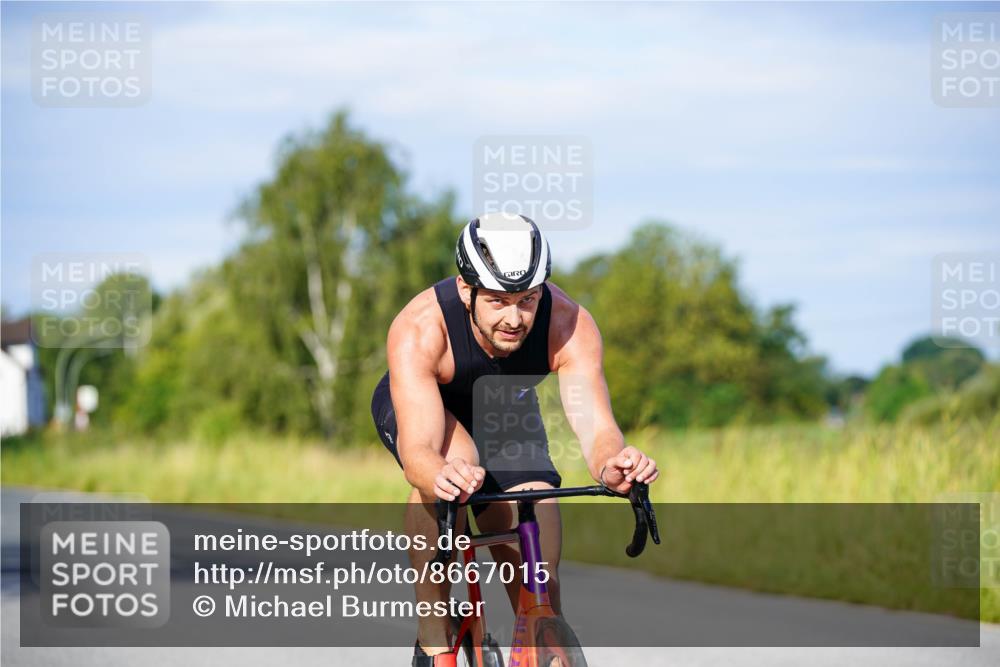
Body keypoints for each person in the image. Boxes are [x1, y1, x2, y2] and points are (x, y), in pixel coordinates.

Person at [371, 212, 660, 666]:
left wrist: (613, 465)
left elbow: (597, 428)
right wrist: (441, 477)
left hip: (504, 407)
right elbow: (420, 453)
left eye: (527, 299)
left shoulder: (568, 324)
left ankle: (540, 635)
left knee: (536, 535)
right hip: (424, 409)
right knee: (455, 462)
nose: (514, 318)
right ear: (467, 290)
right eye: (498, 301)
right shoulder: (420, 327)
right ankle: (435, 638)